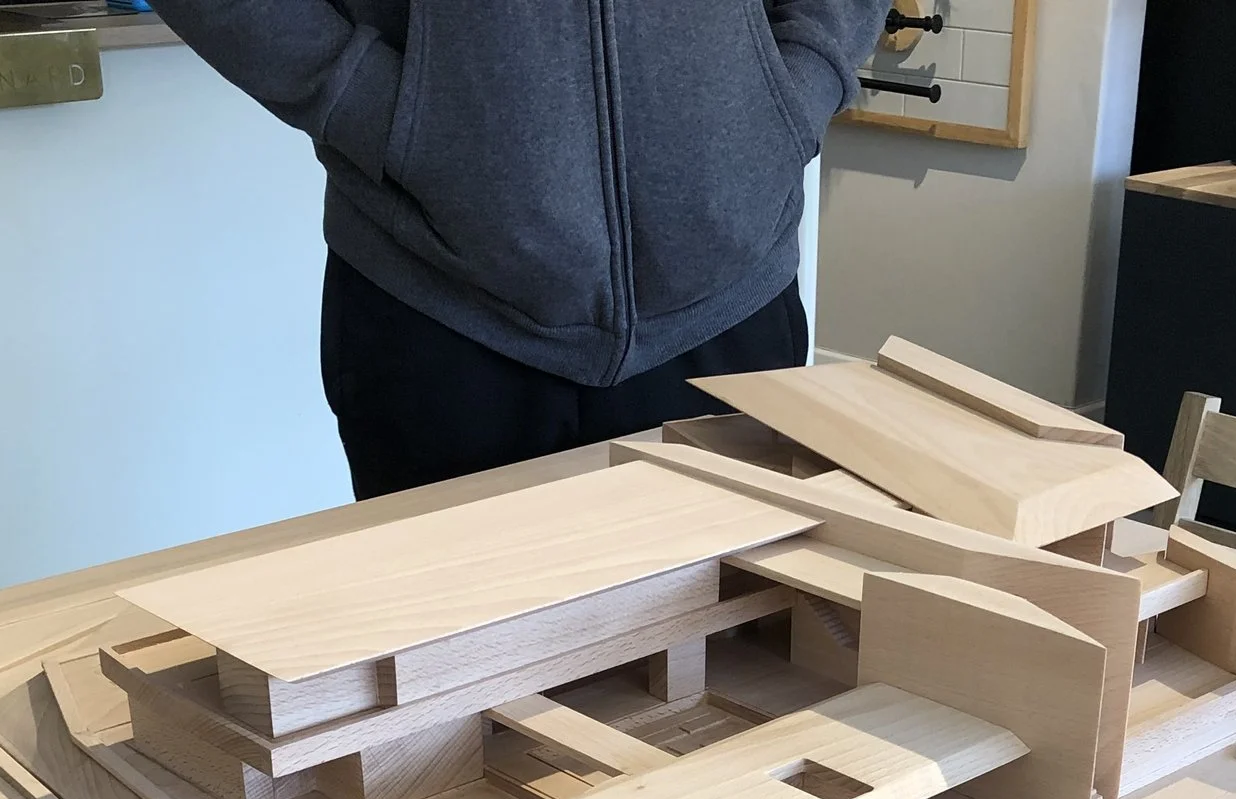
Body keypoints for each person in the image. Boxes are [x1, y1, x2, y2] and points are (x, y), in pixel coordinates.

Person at [144, 0, 888, 498]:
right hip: (440, 305)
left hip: (727, 295)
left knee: (741, 669)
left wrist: (804, 76)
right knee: (455, 682)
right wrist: (365, 100)